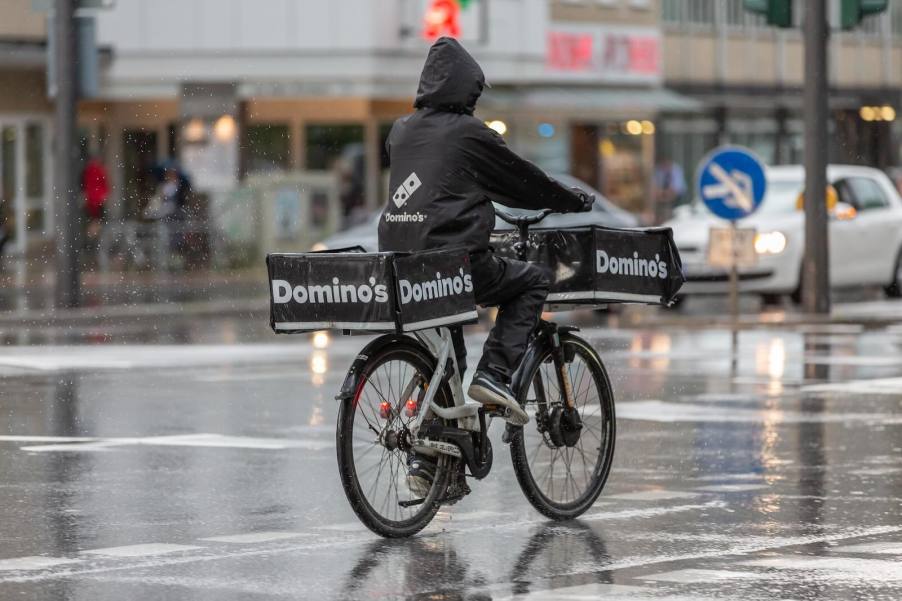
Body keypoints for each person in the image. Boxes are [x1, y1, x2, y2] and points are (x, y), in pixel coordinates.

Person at [378, 37, 592, 431]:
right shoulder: (468, 133)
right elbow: (522, 180)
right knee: (532, 281)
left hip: (403, 266)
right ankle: (494, 374)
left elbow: (433, 184)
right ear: (465, 88)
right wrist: (570, 201)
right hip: (454, 263)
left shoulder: (401, 130)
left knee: (446, 364)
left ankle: (431, 466)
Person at [81, 155, 110, 249]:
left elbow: (83, 185)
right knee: (97, 220)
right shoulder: (98, 170)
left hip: (92, 200)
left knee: (94, 220)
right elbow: (105, 184)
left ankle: (93, 237)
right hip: (96, 200)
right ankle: (95, 237)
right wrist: (104, 195)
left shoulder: (88, 170)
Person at [652, 155, 686, 224]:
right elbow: (655, 184)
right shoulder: (659, 170)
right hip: (663, 195)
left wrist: (666, 194)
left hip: (678, 196)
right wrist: (659, 193)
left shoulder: (676, 170)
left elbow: (676, 188)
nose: (664, 166)